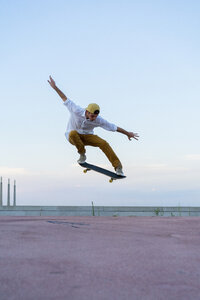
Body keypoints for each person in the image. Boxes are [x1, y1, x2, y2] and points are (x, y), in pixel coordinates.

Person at [48, 76, 139, 176]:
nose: (93, 118)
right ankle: (82, 154)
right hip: (73, 137)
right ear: (87, 112)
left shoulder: (98, 120)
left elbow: (114, 127)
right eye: (92, 115)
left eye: (96, 116)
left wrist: (127, 133)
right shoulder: (76, 110)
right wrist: (55, 87)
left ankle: (118, 167)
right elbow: (64, 98)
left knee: (104, 143)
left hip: (87, 137)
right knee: (73, 133)